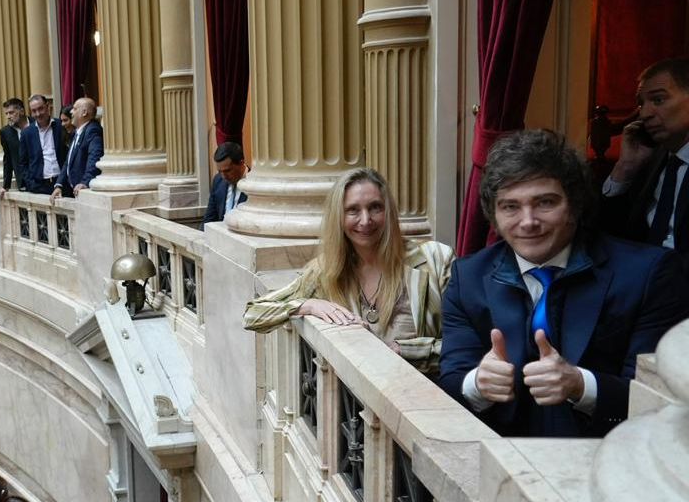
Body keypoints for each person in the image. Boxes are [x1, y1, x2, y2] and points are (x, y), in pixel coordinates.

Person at [440, 130, 689, 438]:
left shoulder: (649, 274)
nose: (528, 221)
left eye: (545, 202)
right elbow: (451, 382)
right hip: (496, 465)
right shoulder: (468, 278)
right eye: (510, 207)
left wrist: (582, 385)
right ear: (494, 215)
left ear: (574, 205)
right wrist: (477, 383)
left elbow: (663, 400)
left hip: (609, 463)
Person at [243, 168, 453, 373]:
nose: (365, 220)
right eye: (353, 210)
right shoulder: (326, 271)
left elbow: (465, 347)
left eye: (375, 207)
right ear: (339, 218)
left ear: (388, 211)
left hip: (423, 397)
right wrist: (307, 304)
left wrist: (404, 350)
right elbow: (253, 315)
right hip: (353, 405)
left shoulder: (435, 260)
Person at [599, 57, 689, 254]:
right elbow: (603, 236)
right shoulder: (650, 160)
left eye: (658, 100)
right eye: (641, 104)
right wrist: (625, 168)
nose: (645, 114)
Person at [52, 97, 103, 199]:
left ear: (84, 112)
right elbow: (68, 161)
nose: (71, 111)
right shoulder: (78, 131)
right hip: (75, 192)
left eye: (75, 109)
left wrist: (85, 182)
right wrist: (59, 185)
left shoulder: (93, 130)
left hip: (85, 192)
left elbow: (95, 158)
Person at [18, 94, 67, 194]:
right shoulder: (27, 133)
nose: (38, 114)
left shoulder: (61, 126)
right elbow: (23, 162)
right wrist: (31, 184)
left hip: (63, 182)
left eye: (40, 109)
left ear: (48, 107)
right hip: (39, 185)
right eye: (34, 111)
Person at [203, 141, 249, 225]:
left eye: (227, 171)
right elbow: (209, 219)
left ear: (241, 163)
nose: (223, 176)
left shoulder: (255, 184)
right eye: (220, 171)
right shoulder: (218, 181)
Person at [0, 98, 28, 190]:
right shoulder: (5, 132)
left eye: (11, 113)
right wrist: (6, 186)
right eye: (6, 114)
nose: (8, 116)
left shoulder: (35, 124)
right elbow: (8, 159)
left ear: (22, 111)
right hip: (24, 182)